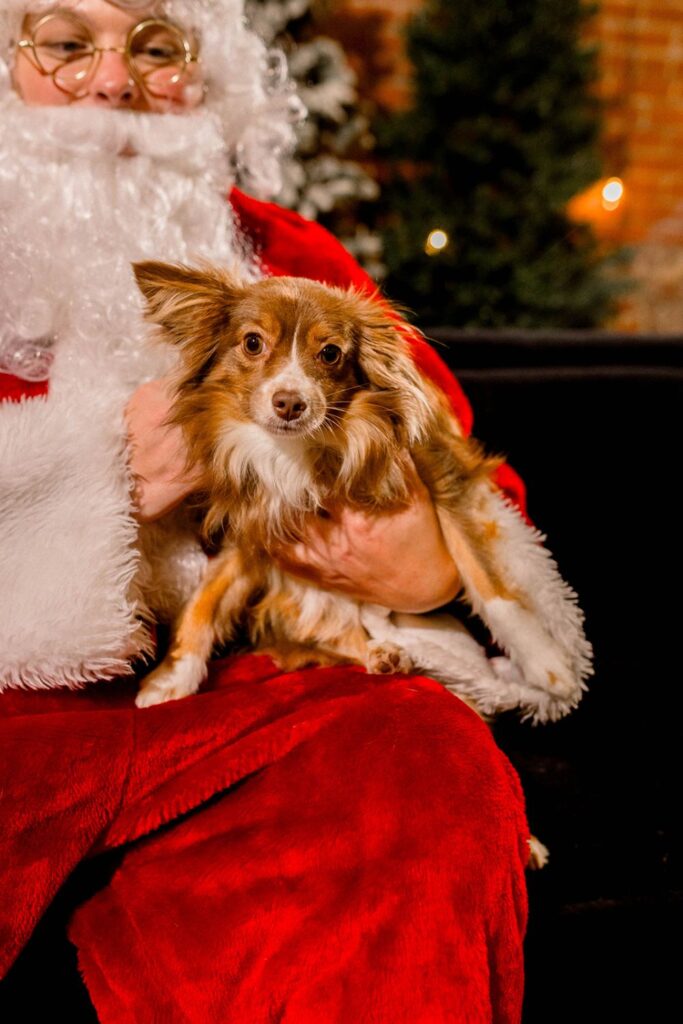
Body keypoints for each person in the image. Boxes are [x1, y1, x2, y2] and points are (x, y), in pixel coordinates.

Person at [0, 2, 532, 1021]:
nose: (113, 83)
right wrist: (93, 480)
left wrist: (428, 557)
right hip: (21, 721)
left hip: (253, 688)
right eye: (66, 44)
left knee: (418, 765)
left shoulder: (289, 256)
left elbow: (468, 473)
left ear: (206, 77)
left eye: (155, 46)